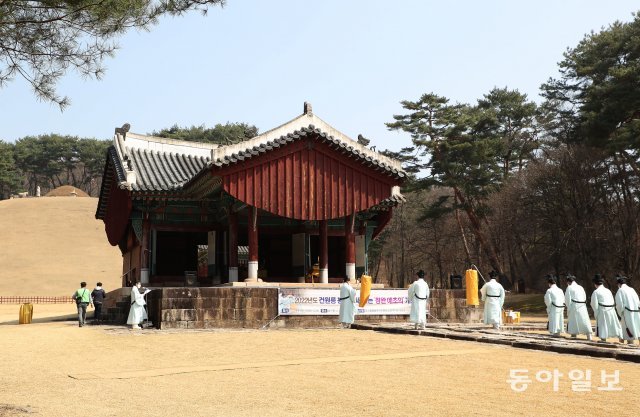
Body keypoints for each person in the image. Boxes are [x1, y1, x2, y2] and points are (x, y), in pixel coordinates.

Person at [590, 274, 623, 343]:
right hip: (611, 309)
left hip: (602, 310)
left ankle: (603, 339)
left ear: (595, 284)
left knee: (603, 325)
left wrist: (596, 312)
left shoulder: (596, 292)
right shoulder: (608, 290)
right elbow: (612, 300)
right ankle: (620, 336)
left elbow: (594, 304)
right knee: (614, 324)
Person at [564, 274, 592, 340]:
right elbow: (584, 297)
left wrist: (568, 307)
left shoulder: (569, 288)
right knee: (584, 319)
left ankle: (573, 334)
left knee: (573, 320)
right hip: (582, 305)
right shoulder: (580, 287)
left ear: (568, 282)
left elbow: (567, 299)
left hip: (574, 305)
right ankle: (588, 334)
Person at [615, 275, 640, 344]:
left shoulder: (620, 290)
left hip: (627, 313)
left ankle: (630, 345)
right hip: (636, 312)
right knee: (637, 329)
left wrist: (620, 314)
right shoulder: (632, 289)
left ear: (619, 284)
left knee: (629, 332)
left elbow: (619, 304)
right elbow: (638, 302)